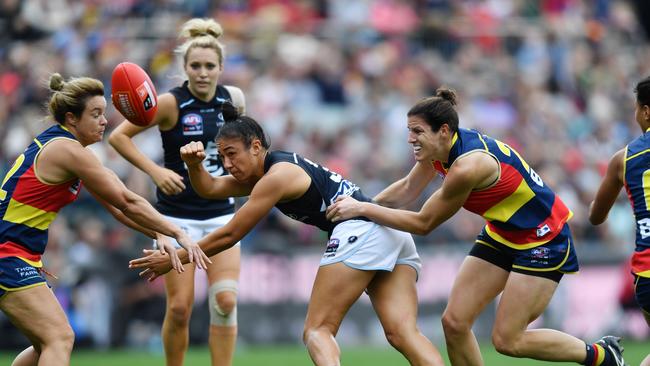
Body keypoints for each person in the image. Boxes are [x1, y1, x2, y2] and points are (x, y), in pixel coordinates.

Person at [324, 87, 627, 366]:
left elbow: (423, 222)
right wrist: (359, 210)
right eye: (408, 131)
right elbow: (406, 189)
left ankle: (601, 355)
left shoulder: (468, 166)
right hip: (502, 233)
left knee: (508, 340)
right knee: (454, 323)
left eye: (417, 131)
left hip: (543, 240)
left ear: (443, 131)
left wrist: (363, 208)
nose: (410, 139)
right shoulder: (440, 149)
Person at [129, 103, 445, 366]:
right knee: (402, 333)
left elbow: (230, 235)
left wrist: (174, 259)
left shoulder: (275, 177)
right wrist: (195, 166)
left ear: (256, 147)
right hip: (386, 230)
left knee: (317, 331)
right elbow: (211, 188)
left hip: (360, 229)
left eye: (232, 154)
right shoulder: (268, 172)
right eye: (221, 157)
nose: (226, 164)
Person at [0, 73, 210, 366]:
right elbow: (127, 200)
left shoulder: (70, 151)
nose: (104, 121)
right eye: (95, 114)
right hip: (8, 256)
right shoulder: (67, 150)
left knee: (45, 342)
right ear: (72, 119)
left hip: (16, 255)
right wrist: (178, 232)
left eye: (104, 113)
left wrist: (158, 232)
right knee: (59, 338)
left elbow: (118, 207)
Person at [108, 18, 244, 366]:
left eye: (209, 66)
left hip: (221, 215)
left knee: (225, 301)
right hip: (174, 220)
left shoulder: (234, 100)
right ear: (184, 68)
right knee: (180, 308)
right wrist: (155, 170)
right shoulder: (170, 103)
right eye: (195, 65)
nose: (202, 72)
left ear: (221, 68)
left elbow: (242, 148)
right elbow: (118, 137)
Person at [589, 76, 650, 366]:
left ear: (647, 111)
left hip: (646, 274)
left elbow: (596, 216)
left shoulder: (623, 158)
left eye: (636, 108)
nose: (635, 114)